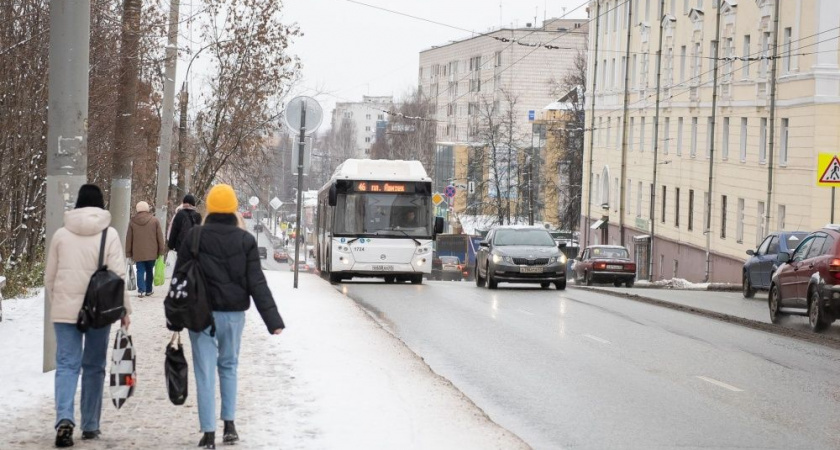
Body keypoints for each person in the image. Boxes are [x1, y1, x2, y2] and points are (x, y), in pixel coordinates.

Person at [173, 184, 285, 448]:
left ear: (210, 207)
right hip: (233, 315)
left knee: (204, 371)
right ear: (234, 207)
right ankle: (230, 426)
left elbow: (180, 278)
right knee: (229, 367)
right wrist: (273, 321)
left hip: (200, 316)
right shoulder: (245, 240)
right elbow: (257, 282)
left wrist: (176, 317)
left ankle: (209, 433)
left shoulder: (195, 237)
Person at [45, 184, 132, 447]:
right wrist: (125, 310)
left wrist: (59, 301)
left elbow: (49, 277)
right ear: (101, 204)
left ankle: (63, 421)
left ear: (78, 204)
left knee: (67, 365)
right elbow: (118, 276)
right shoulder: (110, 234)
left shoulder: (61, 234)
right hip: (100, 310)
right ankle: (91, 425)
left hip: (65, 312)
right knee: (94, 367)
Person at [125, 201, 166, 297]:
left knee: (140, 270)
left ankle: (141, 290)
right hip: (152, 251)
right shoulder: (154, 220)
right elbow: (159, 237)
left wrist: (128, 253)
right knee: (149, 270)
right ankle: (148, 289)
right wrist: (161, 250)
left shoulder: (132, 221)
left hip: (138, 252)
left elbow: (129, 238)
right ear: (147, 208)